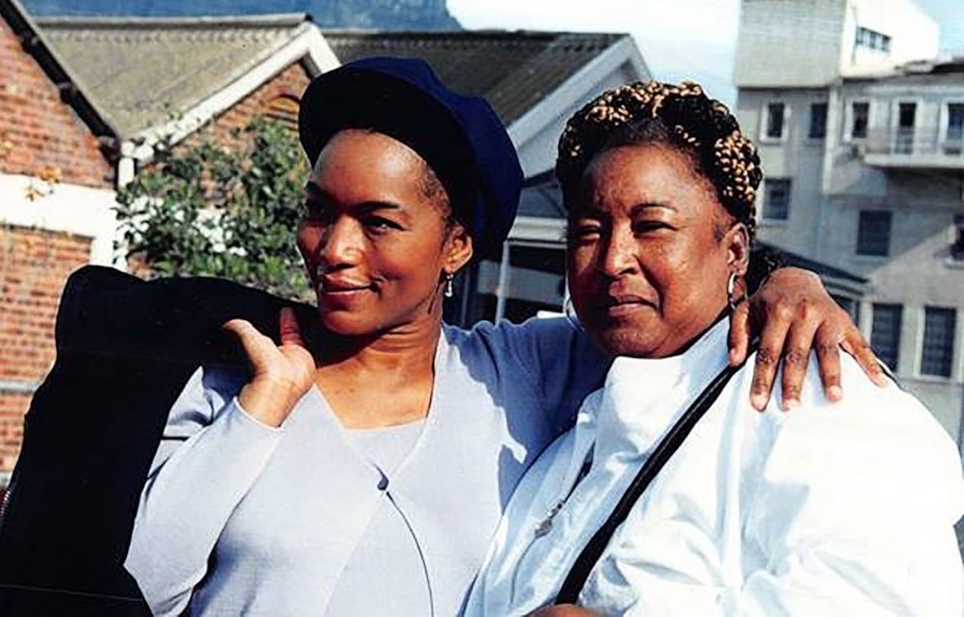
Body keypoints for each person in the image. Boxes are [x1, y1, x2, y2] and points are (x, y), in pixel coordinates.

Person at [123, 60, 882, 617]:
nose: (334, 248)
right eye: (320, 210)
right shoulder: (237, 381)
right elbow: (146, 584)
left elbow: (673, 318)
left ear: (456, 246)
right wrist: (260, 409)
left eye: (379, 221)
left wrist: (784, 283)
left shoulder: (523, 370)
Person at [465, 81, 964, 616]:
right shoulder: (570, 421)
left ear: (735, 249)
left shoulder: (806, 393)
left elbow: (885, 600)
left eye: (652, 226)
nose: (614, 260)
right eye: (589, 232)